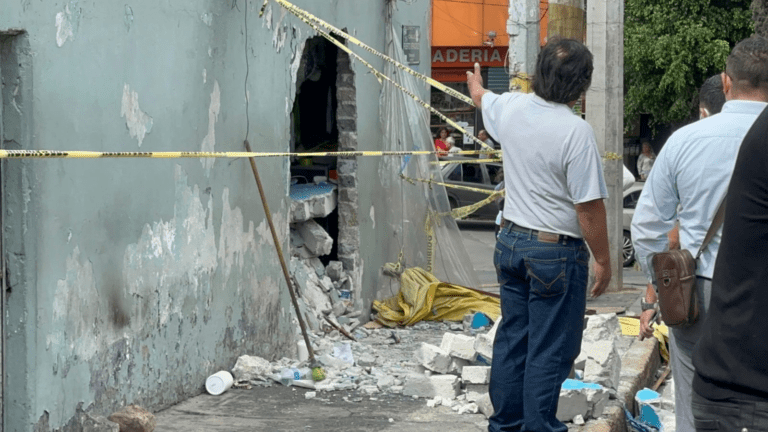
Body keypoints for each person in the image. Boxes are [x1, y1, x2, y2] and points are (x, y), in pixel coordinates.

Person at [467, 38, 611, 432]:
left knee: (514, 342)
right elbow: (588, 208)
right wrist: (602, 259)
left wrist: (475, 83)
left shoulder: (511, 108)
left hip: (510, 243)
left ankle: (505, 426)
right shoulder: (575, 132)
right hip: (554, 253)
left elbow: (481, 98)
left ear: (538, 73)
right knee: (549, 350)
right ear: (582, 85)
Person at [631, 36, 768, 432]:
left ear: (726, 82)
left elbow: (646, 228)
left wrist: (662, 281)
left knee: (694, 399)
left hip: (696, 290)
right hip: (759, 293)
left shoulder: (686, 140)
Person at [691, 107, 768, 431]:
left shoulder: (686, 141)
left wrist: (655, 287)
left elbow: (649, 224)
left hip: (708, 288)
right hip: (749, 393)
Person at [636, 73, 725, 344]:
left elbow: (662, 237)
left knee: (692, 377)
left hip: (699, 284)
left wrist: (652, 300)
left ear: (702, 111)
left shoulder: (685, 146)